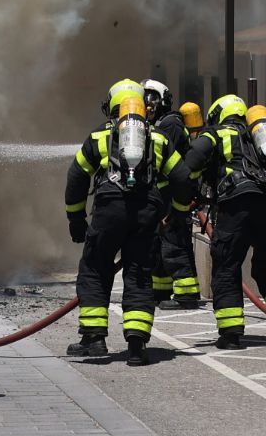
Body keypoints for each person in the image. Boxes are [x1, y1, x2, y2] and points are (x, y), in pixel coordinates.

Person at [65, 78, 194, 366]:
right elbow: (183, 177)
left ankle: (94, 339)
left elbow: (76, 176)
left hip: (108, 211)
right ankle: (137, 345)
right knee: (139, 275)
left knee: (95, 269)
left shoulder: (99, 136)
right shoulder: (158, 137)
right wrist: (178, 211)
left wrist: (76, 218)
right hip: (146, 212)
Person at [183, 94, 266, 350]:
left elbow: (190, 164)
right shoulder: (255, 136)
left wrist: (185, 193)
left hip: (236, 206)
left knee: (226, 266)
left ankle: (231, 333)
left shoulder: (215, 134)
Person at [142, 80, 201, 310]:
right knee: (159, 245)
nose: (147, 104)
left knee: (174, 244)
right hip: (162, 195)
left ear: (161, 100)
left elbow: (165, 161)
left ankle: (187, 295)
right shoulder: (159, 124)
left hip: (172, 195)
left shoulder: (171, 124)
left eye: (150, 98)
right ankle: (161, 290)